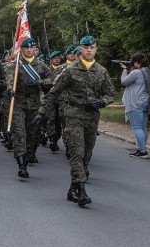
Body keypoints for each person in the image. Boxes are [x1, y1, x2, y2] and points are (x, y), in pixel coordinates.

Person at [34, 35, 114, 206]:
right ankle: (82, 191)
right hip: (73, 114)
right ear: (80, 50)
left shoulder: (101, 71)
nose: (89, 50)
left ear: (96, 49)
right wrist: (42, 111)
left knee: (86, 154)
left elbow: (110, 93)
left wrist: (104, 101)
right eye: (86, 48)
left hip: (92, 117)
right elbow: (54, 92)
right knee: (77, 152)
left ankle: (73, 189)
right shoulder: (70, 70)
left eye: (92, 47)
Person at [4, 37, 51, 178]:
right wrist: (10, 89)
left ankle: (30, 154)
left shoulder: (42, 66)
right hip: (19, 103)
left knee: (33, 134)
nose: (29, 50)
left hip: (35, 104)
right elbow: (10, 79)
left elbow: (52, 80)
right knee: (19, 133)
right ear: (22, 49)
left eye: (32, 48)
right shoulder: (16, 65)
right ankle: (21, 165)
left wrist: (39, 82)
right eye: (26, 48)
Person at [119, 53, 150, 158]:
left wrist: (124, 70)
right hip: (145, 100)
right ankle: (142, 148)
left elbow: (124, 82)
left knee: (137, 127)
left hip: (135, 102)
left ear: (137, 63)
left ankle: (143, 151)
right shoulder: (148, 71)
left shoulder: (136, 72)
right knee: (143, 127)